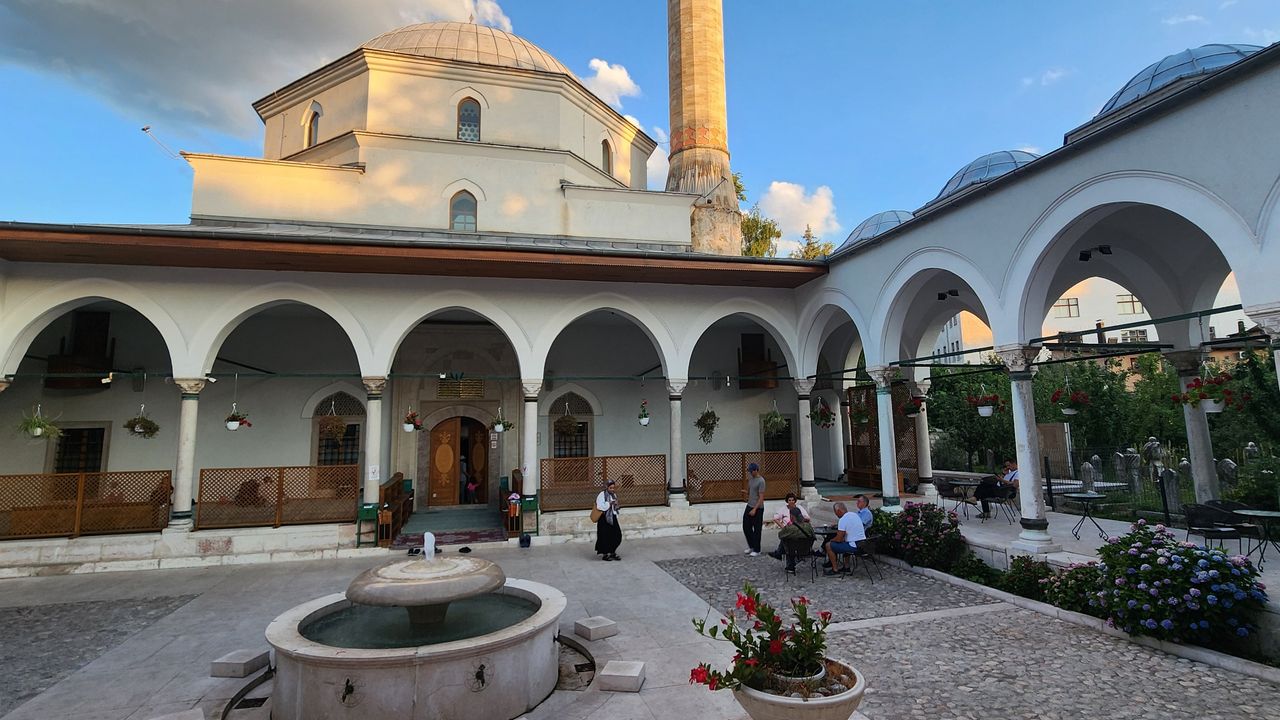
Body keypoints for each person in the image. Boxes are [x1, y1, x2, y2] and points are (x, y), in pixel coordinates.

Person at [767, 493, 813, 566]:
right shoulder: (809, 528)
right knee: (788, 540)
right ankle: (780, 554)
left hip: (794, 532)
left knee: (788, 541)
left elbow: (781, 536)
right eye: (789, 500)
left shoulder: (799, 509)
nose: (791, 502)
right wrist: (783, 527)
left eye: (793, 500)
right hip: (792, 531)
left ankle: (781, 555)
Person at [824, 501, 867, 576]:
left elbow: (839, 539)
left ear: (838, 511)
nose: (836, 514)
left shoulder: (843, 519)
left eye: (835, 512)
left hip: (854, 546)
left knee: (828, 545)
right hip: (863, 544)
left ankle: (835, 569)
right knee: (845, 542)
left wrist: (832, 540)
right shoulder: (854, 515)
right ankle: (846, 567)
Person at [594, 479, 622, 561]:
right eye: (610, 488)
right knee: (604, 536)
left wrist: (616, 504)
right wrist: (609, 503)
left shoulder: (613, 495)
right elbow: (599, 506)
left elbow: (615, 506)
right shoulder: (602, 495)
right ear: (607, 487)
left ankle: (612, 552)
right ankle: (605, 554)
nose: (612, 489)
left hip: (612, 517)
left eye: (613, 488)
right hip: (604, 518)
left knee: (617, 535)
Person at [742, 462, 766, 556]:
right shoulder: (751, 480)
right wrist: (745, 492)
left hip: (758, 507)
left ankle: (757, 549)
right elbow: (750, 492)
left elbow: (761, 497)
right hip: (749, 505)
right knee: (746, 526)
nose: (751, 473)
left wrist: (755, 509)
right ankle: (751, 545)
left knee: (757, 529)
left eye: (752, 471)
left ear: (756, 470)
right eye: (750, 471)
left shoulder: (761, 481)